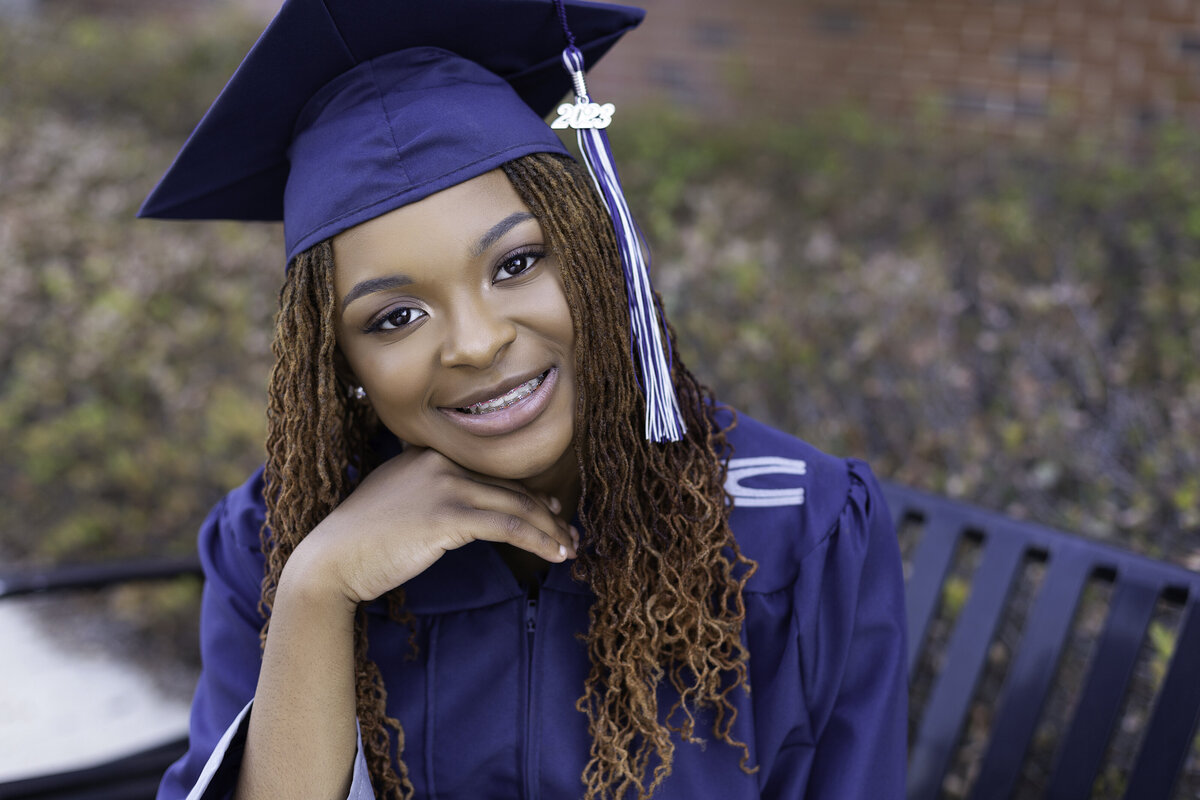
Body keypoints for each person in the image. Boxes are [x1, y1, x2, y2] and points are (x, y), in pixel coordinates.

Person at [142, 1, 908, 798]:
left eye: (517, 263)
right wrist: (317, 588)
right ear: (340, 361)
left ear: (593, 254)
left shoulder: (801, 527)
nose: (476, 343)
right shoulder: (272, 540)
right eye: (395, 317)